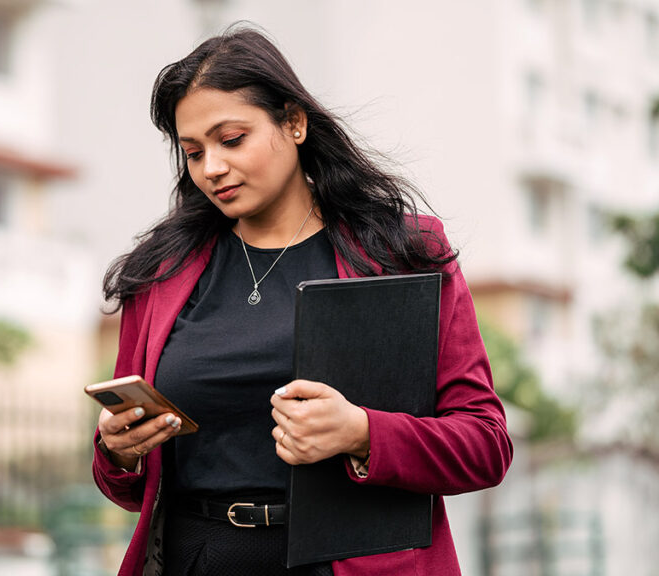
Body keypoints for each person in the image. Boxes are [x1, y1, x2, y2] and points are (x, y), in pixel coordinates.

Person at [91, 26, 512, 576]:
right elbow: (127, 489)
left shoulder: (402, 251)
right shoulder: (160, 273)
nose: (211, 167)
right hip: (197, 559)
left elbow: (485, 445)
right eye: (193, 152)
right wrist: (121, 451)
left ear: (294, 122)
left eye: (232, 139)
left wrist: (362, 432)